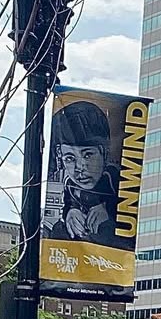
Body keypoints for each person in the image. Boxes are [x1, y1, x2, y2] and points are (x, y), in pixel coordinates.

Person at [43, 100, 120, 247]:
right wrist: (71, 212)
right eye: (70, 158)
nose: (79, 167)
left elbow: (127, 206)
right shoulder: (69, 184)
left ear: (104, 153)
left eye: (88, 155)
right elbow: (67, 204)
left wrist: (108, 210)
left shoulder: (115, 178)